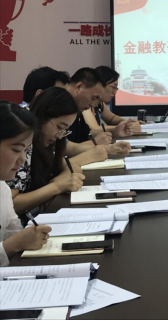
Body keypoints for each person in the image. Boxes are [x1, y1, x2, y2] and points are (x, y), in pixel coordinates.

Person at [7, 88, 86, 216]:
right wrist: (56, 187)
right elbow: (9, 205)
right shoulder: (24, 144)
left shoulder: (44, 143)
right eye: (59, 127)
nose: (60, 136)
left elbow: (72, 167)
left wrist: (58, 182)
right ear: (43, 116)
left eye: (65, 130)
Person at [0, 101, 51, 266]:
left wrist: (30, 237)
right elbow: (13, 242)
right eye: (16, 150)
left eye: (26, 150)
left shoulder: (3, 188)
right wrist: (12, 245)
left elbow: (13, 232)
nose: (22, 159)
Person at [66, 67, 134, 144]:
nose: (92, 104)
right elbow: (65, 148)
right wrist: (94, 143)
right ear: (79, 87)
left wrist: (115, 131)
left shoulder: (78, 108)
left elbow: (87, 134)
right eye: (94, 98)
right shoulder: (66, 106)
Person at [82, 66, 141, 134]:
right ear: (100, 85)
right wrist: (122, 128)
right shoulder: (86, 103)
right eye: (113, 87)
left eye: (116, 88)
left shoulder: (100, 103)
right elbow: (93, 129)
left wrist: (129, 123)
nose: (115, 92)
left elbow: (112, 119)